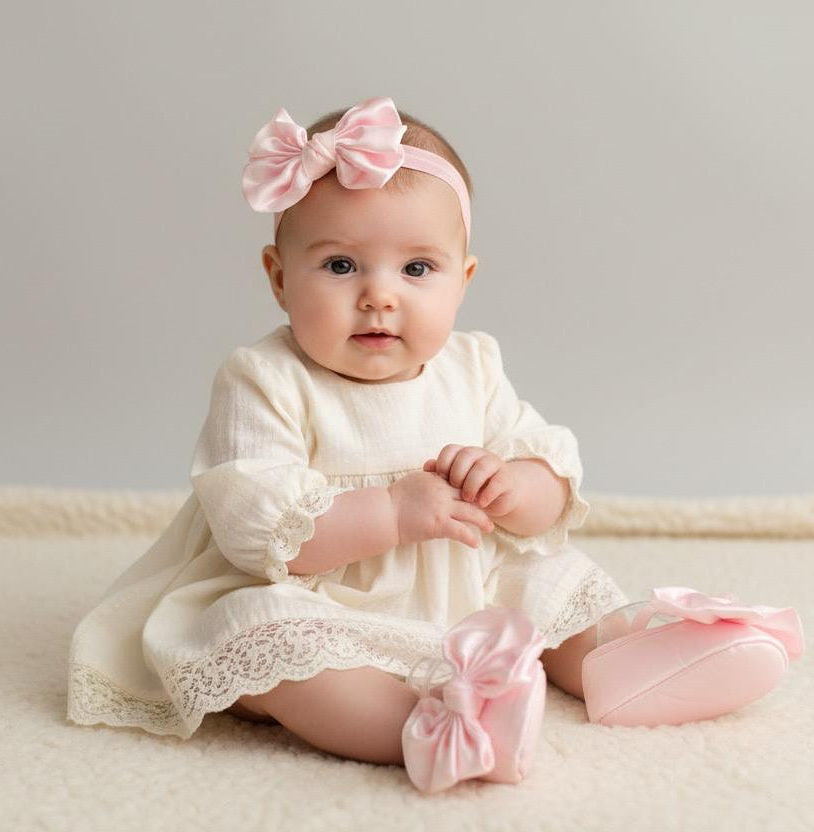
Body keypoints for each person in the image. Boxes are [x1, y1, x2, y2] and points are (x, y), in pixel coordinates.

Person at [75, 95, 792, 792]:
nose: (380, 296)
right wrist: (389, 514)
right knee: (276, 646)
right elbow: (253, 524)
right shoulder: (264, 378)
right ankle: (439, 726)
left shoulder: (472, 367)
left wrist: (513, 486)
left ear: (462, 281)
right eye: (340, 266)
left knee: (552, 581)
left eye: (416, 269)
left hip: (467, 580)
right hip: (324, 597)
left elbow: (546, 472)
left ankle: (628, 663)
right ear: (278, 277)